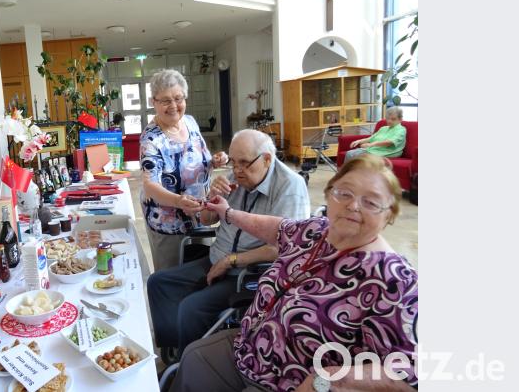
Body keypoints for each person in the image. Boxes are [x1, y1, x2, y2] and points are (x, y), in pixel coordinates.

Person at [170, 155, 418, 392]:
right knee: (193, 358)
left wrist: (328, 380)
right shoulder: (316, 230)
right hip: (249, 347)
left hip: (292, 381)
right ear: (329, 194)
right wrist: (228, 213)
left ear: (389, 215)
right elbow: (275, 228)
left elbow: (409, 373)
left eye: (371, 202)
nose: (353, 206)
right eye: (344, 193)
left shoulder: (397, 280)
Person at [147, 129, 309, 360]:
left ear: (266, 159)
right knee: (159, 283)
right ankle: (174, 349)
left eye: (244, 163)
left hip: (249, 272)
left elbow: (283, 247)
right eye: (233, 162)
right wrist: (210, 197)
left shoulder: (290, 187)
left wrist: (230, 261)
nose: (237, 170)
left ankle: (188, 367)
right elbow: (207, 220)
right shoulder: (235, 178)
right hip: (219, 257)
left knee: (192, 308)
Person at [140, 69, 227, 271]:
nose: (173, 106)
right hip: (167, 222)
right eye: (165, 100)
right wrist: (179, 202)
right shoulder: (151, 139)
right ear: (154, 102)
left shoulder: (190, 122)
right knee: (170, 276)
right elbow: (150, 185)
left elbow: (198, 159)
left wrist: (215, 160)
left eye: (178, 98)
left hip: (200, 214)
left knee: (200, 271)